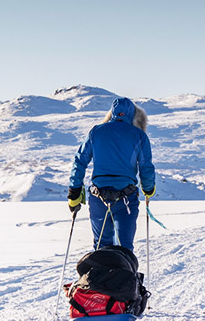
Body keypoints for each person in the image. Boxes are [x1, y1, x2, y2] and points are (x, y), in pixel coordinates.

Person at [66, 97, 156, 249]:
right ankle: (124, 271)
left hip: (98, 198)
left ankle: (100, 271)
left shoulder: (96, 131)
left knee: (101, 246)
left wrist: (74, 192)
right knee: (124, 247)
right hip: (126, 199)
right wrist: (148, 189)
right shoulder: (139, 135)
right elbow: (146, 166)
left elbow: (80, 161)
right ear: (133, 115)